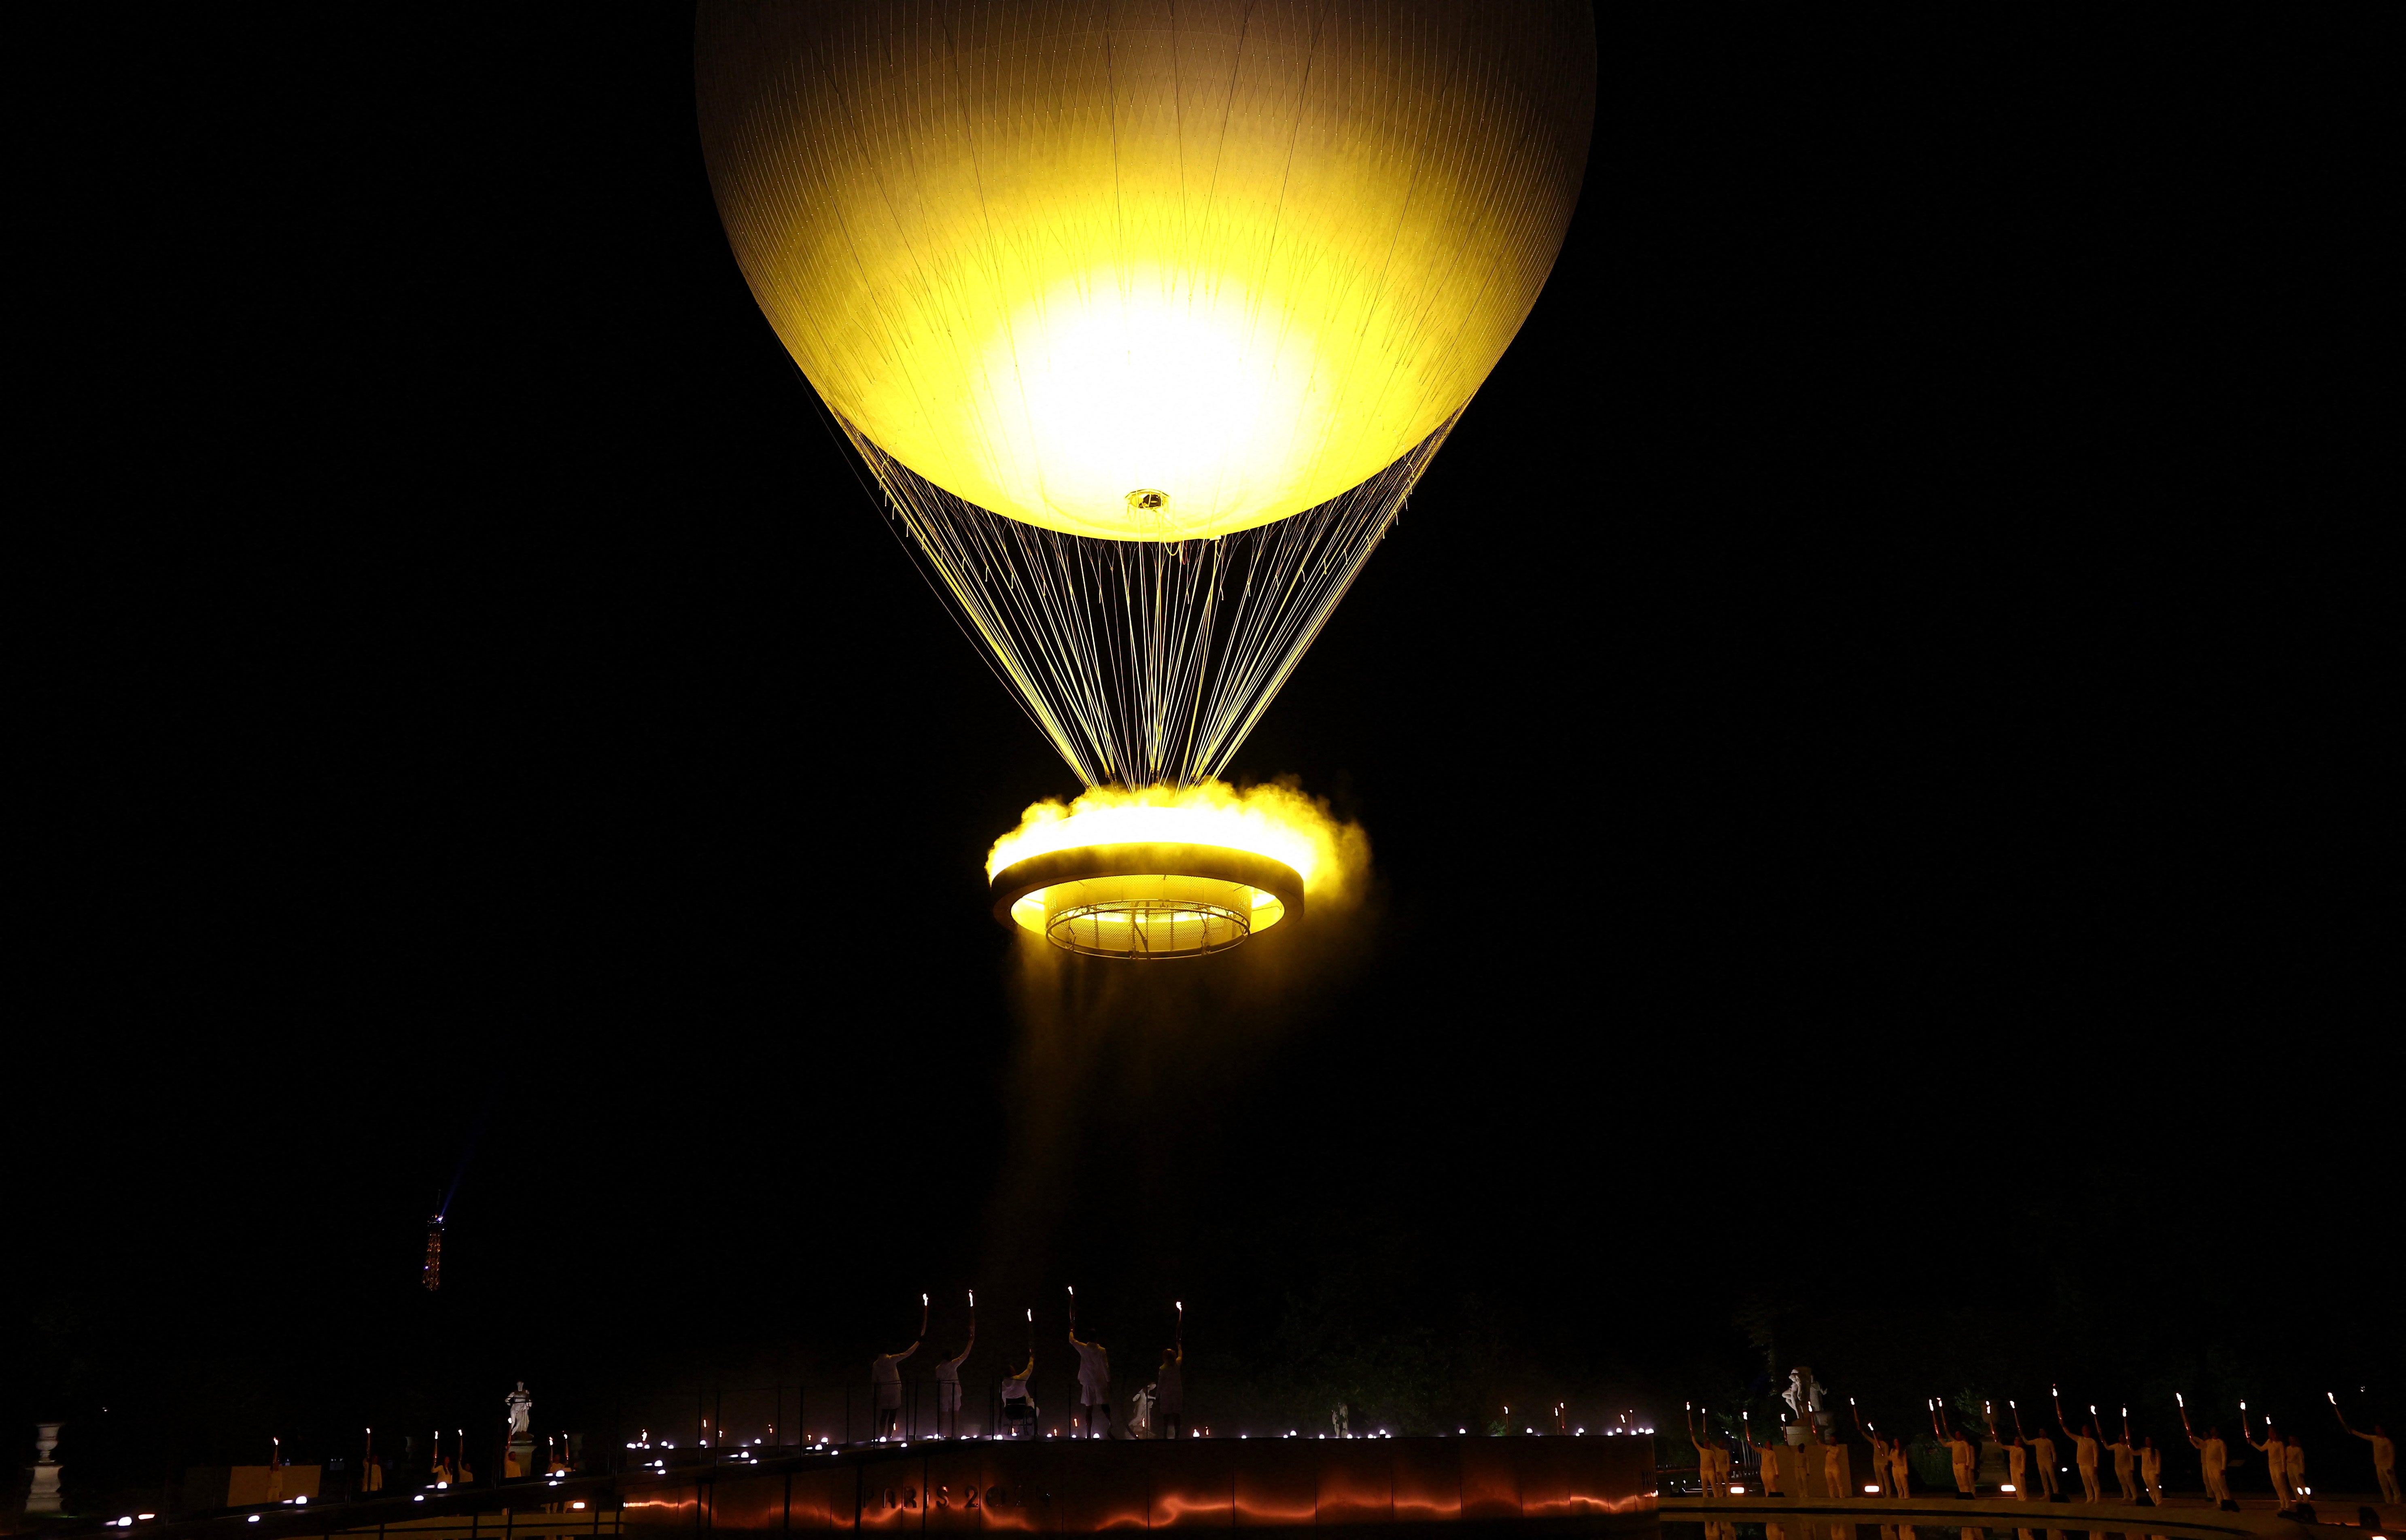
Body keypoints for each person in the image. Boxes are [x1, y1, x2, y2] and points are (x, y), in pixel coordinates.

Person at [2330, 1407, 2397, 1505]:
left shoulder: (2388, 1442)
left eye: (2378, 1429)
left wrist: (2390, 1467)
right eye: (2376, 1429)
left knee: (2393, 1485)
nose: (2376, 1431)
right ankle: (2389, 1502)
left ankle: (2397, 1502)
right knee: (2384, 1486)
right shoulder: (2375, 1439)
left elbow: (2392, 1455)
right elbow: (2363, 1436)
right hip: (2378, 1466)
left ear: (2382, 1430)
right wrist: (2352, 1431)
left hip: (2387, 1466)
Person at [872, 1334, 921, 1440]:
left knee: (884, 1414)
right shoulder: (891, 1360)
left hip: (884, 1391)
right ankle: (889, 1436)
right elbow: (907, 1353)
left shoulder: (876, 1364)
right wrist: (918, 1343)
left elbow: (874, 1381)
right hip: (894, 1390)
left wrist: (875, 1396)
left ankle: (882, 1436)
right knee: (893, 1414)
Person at [1069, 1323, 1113, 1438]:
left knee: (1089, 1409)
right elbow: (1106, 1367)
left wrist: (1072, 1330)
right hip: (1100, 1382)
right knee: (1105, 1405)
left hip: (1088, 1382)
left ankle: (1088, 1434)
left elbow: (1072, 1341)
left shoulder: (1083, 1348)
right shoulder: (1102, 1351)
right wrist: (1109, 1382)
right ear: (1097, 1338)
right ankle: (1111, 1425)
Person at [934, 1317, 974, 1439]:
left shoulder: (938, 1368)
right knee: (955, 1414)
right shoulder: (952, 1365)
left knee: (944, 1415)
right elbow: (965, 1355)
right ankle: (954, 1434)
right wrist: (971, 1341)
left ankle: (941, 1435)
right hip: (954, 1393)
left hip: (943, 1393)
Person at [2242, 1411, 2289, 1509]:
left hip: (2279, 1467)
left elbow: (2283, 1457)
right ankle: (2282, 1504)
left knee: (2282, 1486)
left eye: (2270, 1432)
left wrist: (2284, 1470)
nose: (2269, 1433)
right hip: (2271, 1466)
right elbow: (2261, 1449)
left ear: (2274, 1433)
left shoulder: (2280, 1444)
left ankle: (2287, 1505)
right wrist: (2252, 1442)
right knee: (2277, 1486)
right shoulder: (2269, 1442)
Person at [2186, 1423, 2233, 1509]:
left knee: (2222, 1485)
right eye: (2212, 1430)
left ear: (2217, 1433)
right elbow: (2198, 1446)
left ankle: (2228, 1501)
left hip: (2218, 1467)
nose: (2212, 1431)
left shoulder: (2221, 1443)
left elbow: (2224, 1456)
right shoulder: (2208, 1442)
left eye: (2214, 1430)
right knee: (2214, 1486)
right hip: (2210, 1468)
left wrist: (2223, 1468)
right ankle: (2220, 1503)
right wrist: (2191, 1438)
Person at [2060, 1412, 2102, 1504]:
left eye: (2086, 1430)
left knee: (2094, 1482)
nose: (2084, 1431)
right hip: (2081, 1464)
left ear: (2089, 1431)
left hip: (2090, 1464)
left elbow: (2096, 1455)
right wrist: (2063, 1426)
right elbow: (2069, 1434)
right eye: (2083, 1430)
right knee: (2086, 1482)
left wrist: (2096, 1466)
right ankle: (2090, 1498)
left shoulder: (2093, 1442)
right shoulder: (2080, 1439)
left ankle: (2097, 1499)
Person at [999, 1352, 1038, 1438]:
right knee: (1035, 1410)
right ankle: (1031, 1433)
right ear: (1013, 1372)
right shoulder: (1020, 1380)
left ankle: (1017, 1430)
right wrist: (1031, 1359)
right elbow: (1029, 1369)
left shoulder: (1002, 1385)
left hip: (1009, 1413)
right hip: (1022, 1412)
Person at [1156, 1346, 1186, 1441]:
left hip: (1166, 1395)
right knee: (1177, 1414)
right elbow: (1181, 1355)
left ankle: (1165, 1435)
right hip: (1177, 1394)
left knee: (1166, 1415)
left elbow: (1160, 1384)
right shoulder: (1177, 1365)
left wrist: (1157, 1396)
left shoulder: (1163, 1369)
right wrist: (1179, 1346)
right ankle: (1177, 1436)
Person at [2106, 1420, 2137, 1502]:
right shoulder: (2117, 1446)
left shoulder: (2128, 1447)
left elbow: (2131, 1456)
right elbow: (2108, 1448)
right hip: (2118, 1467)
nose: (2120, 1438)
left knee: (2130, 1482)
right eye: (2119, 1437)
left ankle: (2135, 1496)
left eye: (2122, 1437)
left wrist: (2132, 1467)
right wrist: (2103, 1441)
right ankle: (2126, 1496)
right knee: (2122, 1482)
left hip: (2127, 1467)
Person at [2139, 1435, 2164, 1505]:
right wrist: (2129, 1447)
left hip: (2153, 1472)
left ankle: (2159, 1502)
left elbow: (2158, 1462)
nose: (2147, 1442)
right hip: (2145, 1471)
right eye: (2146, 1440)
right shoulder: (2143, 1450)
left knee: (2155, 1487)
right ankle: (2155, 1502)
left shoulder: (2156, 1451)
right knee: (2149, 1488)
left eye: (2148, 1440)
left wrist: (2158, 1472)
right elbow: (2134, 1453)